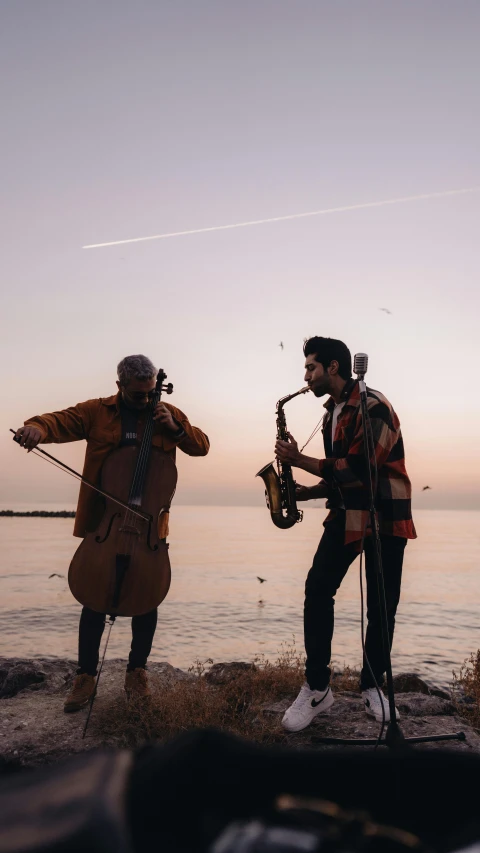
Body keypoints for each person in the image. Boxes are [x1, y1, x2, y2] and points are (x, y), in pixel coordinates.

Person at [15, 354, 209, 711]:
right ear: (119, 386)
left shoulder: (168, 413)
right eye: (139, 395)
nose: (148, 401)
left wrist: (176, 429)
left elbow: (201, 446)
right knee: (93, 599)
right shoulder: (97, 411)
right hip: (106, 521)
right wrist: (37, 428)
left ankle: (137, 672)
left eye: (152, 393)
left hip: (150, 526)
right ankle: (85, 676)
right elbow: (61, 421)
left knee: (148, 599)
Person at [275, 337, 416, 732]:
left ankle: (372, 687)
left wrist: (298, 460)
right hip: (347, 513)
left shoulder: (374, 406)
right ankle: (318, 688)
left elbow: (359, 469)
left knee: (381, 606)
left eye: (311, 368)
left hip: (385, 514)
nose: (305, 376)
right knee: (317, 589)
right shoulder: (331, 414)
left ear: (333, 368)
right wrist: (306, 491)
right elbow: (341, 478)